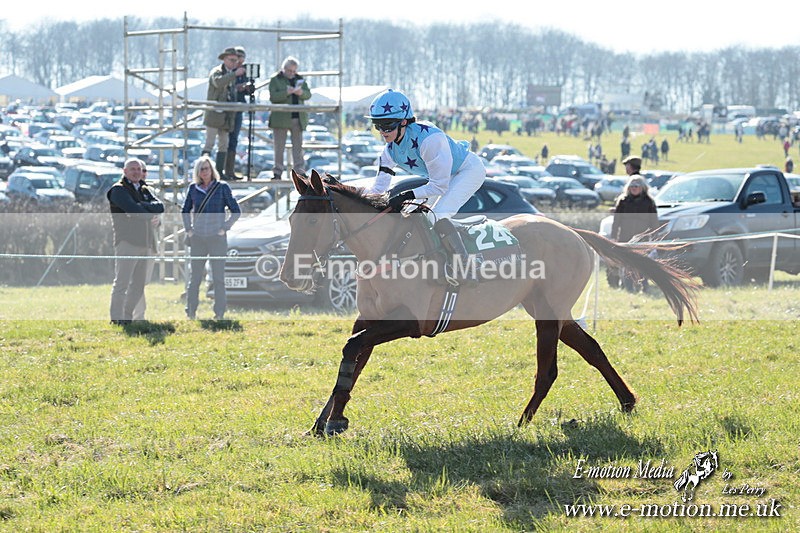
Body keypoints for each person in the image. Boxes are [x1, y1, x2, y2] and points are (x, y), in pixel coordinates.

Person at [365, 88, 486, 285]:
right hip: (441, 178)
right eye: (377, 125)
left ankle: (466, 268)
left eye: (387, 125)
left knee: (436, 215)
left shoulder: (429, 139)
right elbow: (378, 190)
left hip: (467, 171)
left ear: (404, 121)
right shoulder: (389, 151)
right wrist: (349, 195)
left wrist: (405, 195)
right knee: (410, 216)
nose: (382, 131)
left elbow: (439, 186)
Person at [181, 155, 241, 320]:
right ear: (197, 172)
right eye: (201, 169)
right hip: (198, 238)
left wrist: (224, 228)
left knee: (218, 278)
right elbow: (185, 210)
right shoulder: (193, 189)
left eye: (206, 168)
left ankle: (219, 313)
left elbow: (236, 211)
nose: (204, 172)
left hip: (217, 238)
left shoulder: (222, 187)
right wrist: (189, 230)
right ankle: (191, 312)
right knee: (195, 278)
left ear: (211, 170)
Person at [107, 158, 164, 325]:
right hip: (127, 243)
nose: (136, 172)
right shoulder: (118, 190)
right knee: (122, 283)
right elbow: (133, 210)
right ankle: (116, 319)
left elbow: (160, 206)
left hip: (146, 243)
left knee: (138, 285)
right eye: (132, 169)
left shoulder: (145, 189)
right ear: (125, 171)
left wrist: (142, 205)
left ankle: (127, 316)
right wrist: (145, 210)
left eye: (139, 169)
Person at [611, 156, 659, 293]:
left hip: (642, 238)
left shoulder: (649, 202)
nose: (634, 188)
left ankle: (644, 285)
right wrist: (614, 236)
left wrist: (654, 238)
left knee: (642, 264)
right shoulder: (623, 201)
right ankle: (628, 287)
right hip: (625, 237)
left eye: (637, 186)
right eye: (632, 186)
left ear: (642, 187)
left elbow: (654, 221)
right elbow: (616, 220)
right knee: (627, 264)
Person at [202, 47, 246, 178]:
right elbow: (218, 83)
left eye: (235, 60)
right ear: (224, 59)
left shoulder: (231, 74)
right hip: (214, 115)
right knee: (209, 143)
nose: (234, 62)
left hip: (226, 116)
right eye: (231, 60)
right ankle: (203, 171)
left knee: (224, 144)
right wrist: (234, 74)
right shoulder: (216, 72)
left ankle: (219, 172)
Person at [268, 56, 310, 180]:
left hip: (297, 118)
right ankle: (278, 171)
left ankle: (300, 172)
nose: (292, 73)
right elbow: (273, 97)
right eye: (289, 71)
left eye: (294, 71)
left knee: (298, 147)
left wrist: (301, 93)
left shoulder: (300, 79)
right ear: (284, 69)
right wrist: (287, 92)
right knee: (279, 147)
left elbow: (308, 94)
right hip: (280, 119)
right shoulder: (276, 79)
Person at [224, 46, 248, 181]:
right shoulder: (228, 71)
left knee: (233, 140)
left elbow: (247, 90)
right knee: (224, 140)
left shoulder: (244, 72)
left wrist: (246, 88)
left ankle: (230, 170)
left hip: (238, 108)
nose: (239, 61)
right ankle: (223, 170)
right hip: (227, 109)